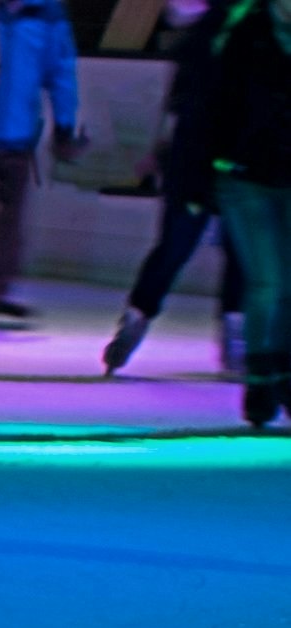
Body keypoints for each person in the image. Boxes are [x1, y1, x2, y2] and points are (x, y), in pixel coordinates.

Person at [105, 0, 245, 374]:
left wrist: (163, 147)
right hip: (227, 159)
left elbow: (178, 102)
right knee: (237, 252)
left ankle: (138, 315)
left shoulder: (204, 35)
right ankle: (234, 331)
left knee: (176, 247)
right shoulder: (244, 35)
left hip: (197, 159)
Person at [200, 0, 291, 419]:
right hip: (245, 175)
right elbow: (214, 100)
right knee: (267, 281)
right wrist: (213, 165)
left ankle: (283, 372)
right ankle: (259, 378)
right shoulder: (245, 32)